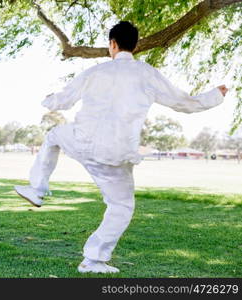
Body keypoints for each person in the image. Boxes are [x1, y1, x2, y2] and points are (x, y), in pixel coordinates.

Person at [14, 21, 228, 274]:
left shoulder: (96, 72)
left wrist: (47, 98)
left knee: (52, 137)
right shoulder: (147, 74)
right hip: (116, 153)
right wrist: (216, 95)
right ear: (136, 45)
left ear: (112, 44)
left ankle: (37, 189)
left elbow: (61, 101)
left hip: (82, 140)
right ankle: (93, 260)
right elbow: (184, 103)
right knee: (122, 207)